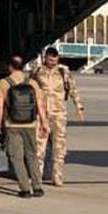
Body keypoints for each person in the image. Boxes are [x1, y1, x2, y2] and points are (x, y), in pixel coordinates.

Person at [32, 46, 86, 186]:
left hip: (59, 113)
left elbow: (73, 89)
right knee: (39, 147)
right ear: (45, 58)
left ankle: (57, 176)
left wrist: (79, 107)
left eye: (55, 61)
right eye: (51, 60)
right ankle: (37, 176)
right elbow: (30, 88)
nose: (53, 63)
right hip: (42, 114)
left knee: (59, 147)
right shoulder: (37, 71)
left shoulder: (63, 71)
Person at [0, 55, 45, 197]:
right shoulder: (32, 82)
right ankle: (37, 187)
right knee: (32, 155)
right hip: (30, 124)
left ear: (9, 67)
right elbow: (40, 105)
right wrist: (44, 122)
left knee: (16, 157)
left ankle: (25, 189)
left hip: (12, 124)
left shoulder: (4, 83)